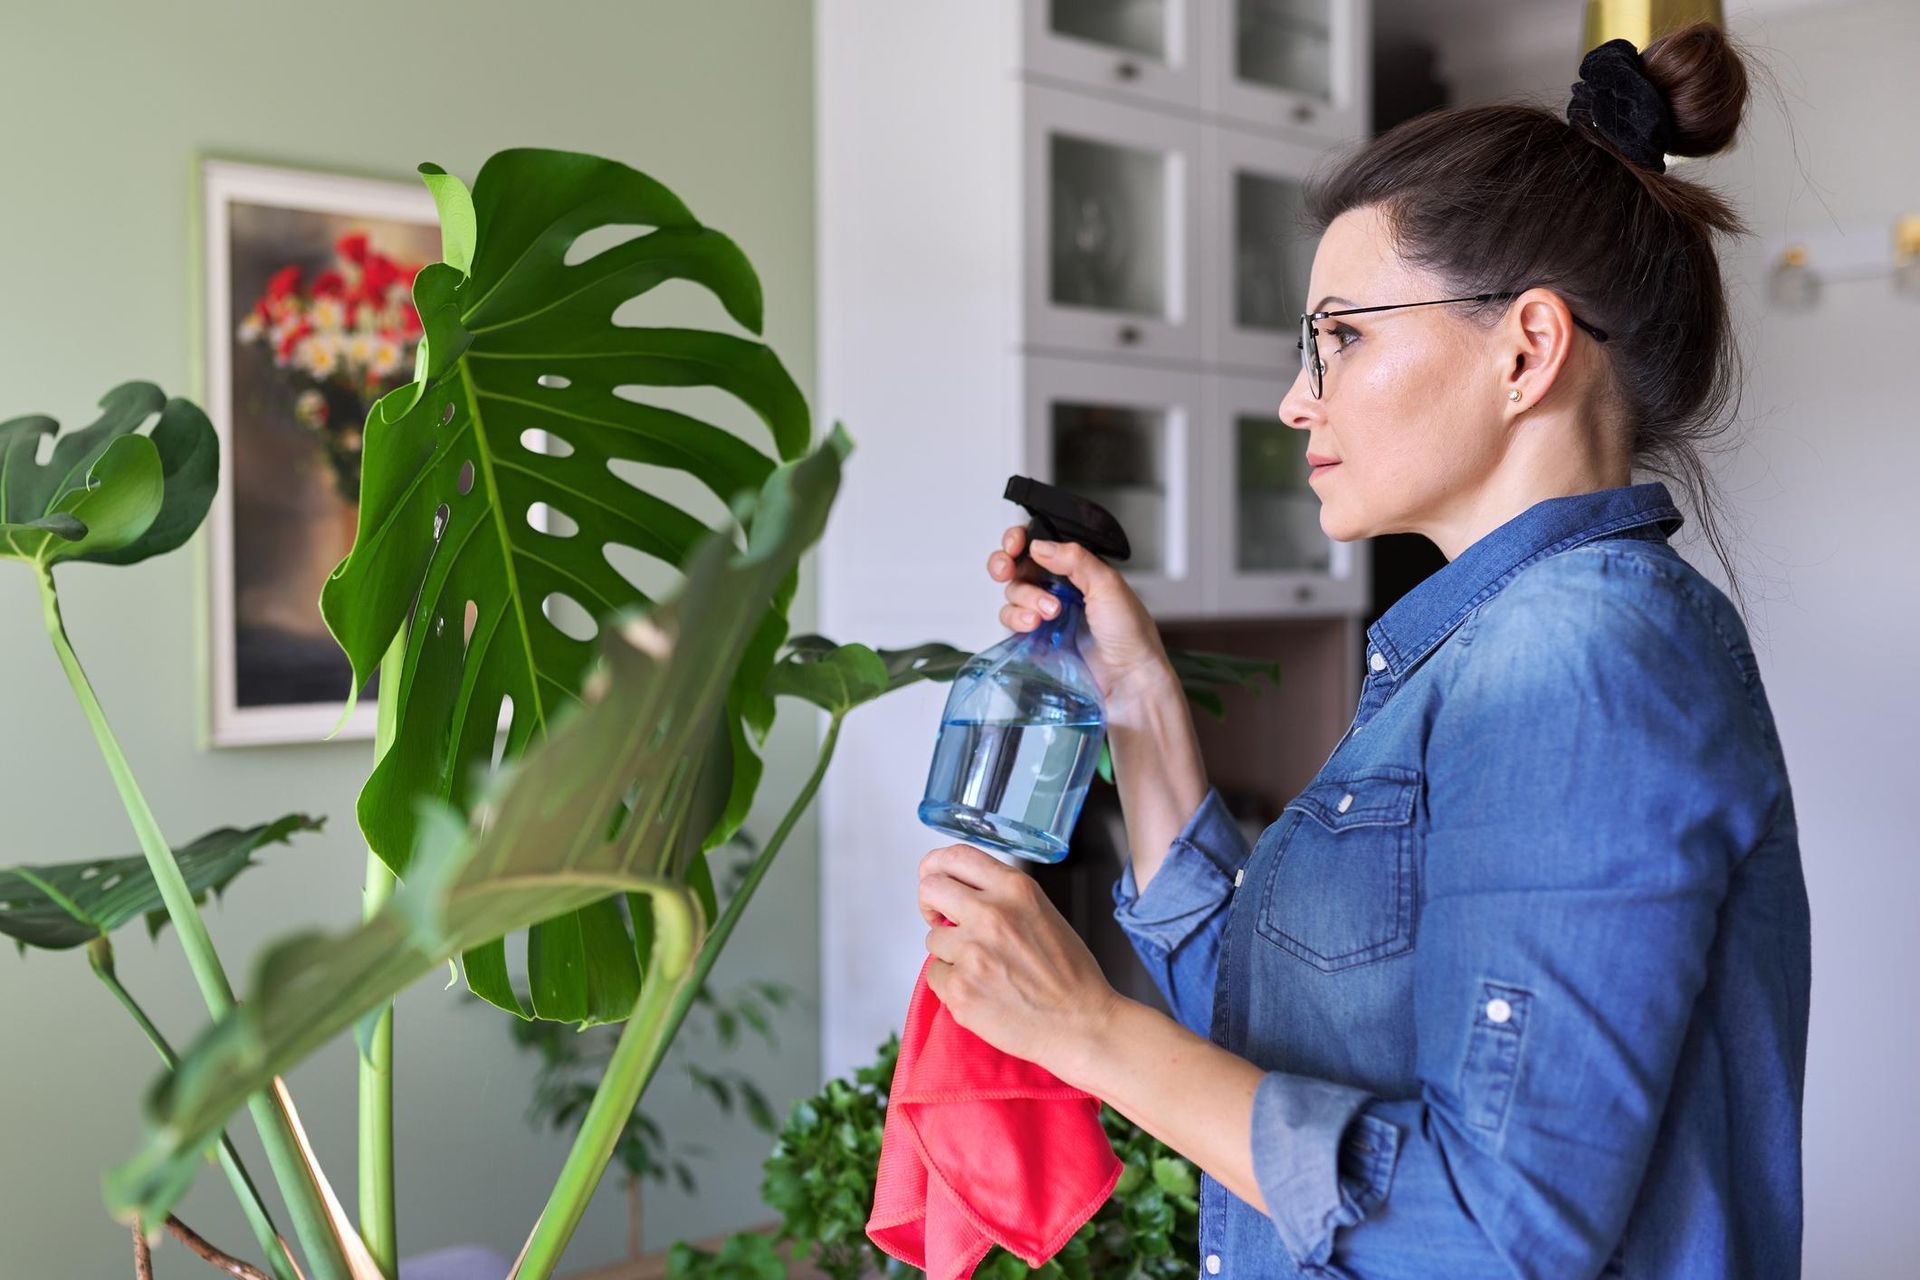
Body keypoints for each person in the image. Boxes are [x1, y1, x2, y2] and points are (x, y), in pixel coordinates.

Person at [915, 21, 1808, 1280]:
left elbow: (1500, 1230)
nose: (1299, 395)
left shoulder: (1580, 661)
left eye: (1341, 334)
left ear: (1528, 347)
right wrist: (1136, 695)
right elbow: (1283, 1017)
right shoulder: (1486, 649)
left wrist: (1088, 1031)